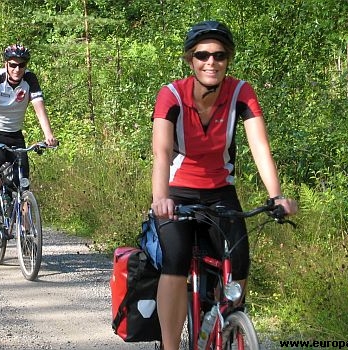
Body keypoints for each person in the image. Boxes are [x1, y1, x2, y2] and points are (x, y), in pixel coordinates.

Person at [149, 20, 299, 349]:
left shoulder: (240, 92)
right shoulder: (171, 95)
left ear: (227, 59)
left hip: (220, 191)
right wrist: (161, 198)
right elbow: (161, 153)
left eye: (219, 56)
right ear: (191, 60)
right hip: (177, 193)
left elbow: (260, 146)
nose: (211, 62)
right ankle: (171, 345)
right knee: (175, 260)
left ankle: (227, 325)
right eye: (202, 55)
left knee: (239, 258)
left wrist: (276, 196)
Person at [0, 44, 57, 233]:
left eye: (21, 65)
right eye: (13, 65)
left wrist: (48, 135)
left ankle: (26, 233)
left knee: (24, 181)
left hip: (15, 135)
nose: (17, 69)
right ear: (6, 64)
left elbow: (39, 108)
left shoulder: (29, 79)